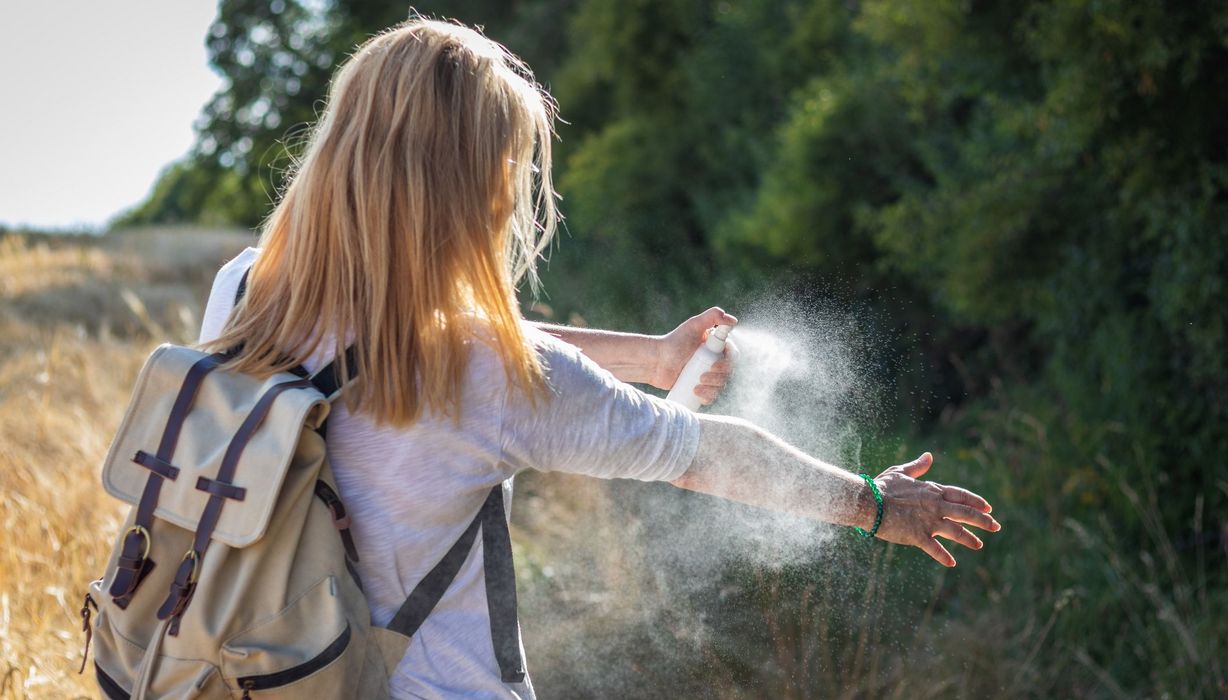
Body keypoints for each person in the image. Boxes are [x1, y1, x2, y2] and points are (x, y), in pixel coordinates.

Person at [200, 17, 1000, 699]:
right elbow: (706, 453)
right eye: (508, 162)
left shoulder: (247, 288)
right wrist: (877, 504)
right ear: (472, 182)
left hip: (256, 675)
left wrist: (652, 358)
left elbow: (437, 341)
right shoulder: (487, 373)